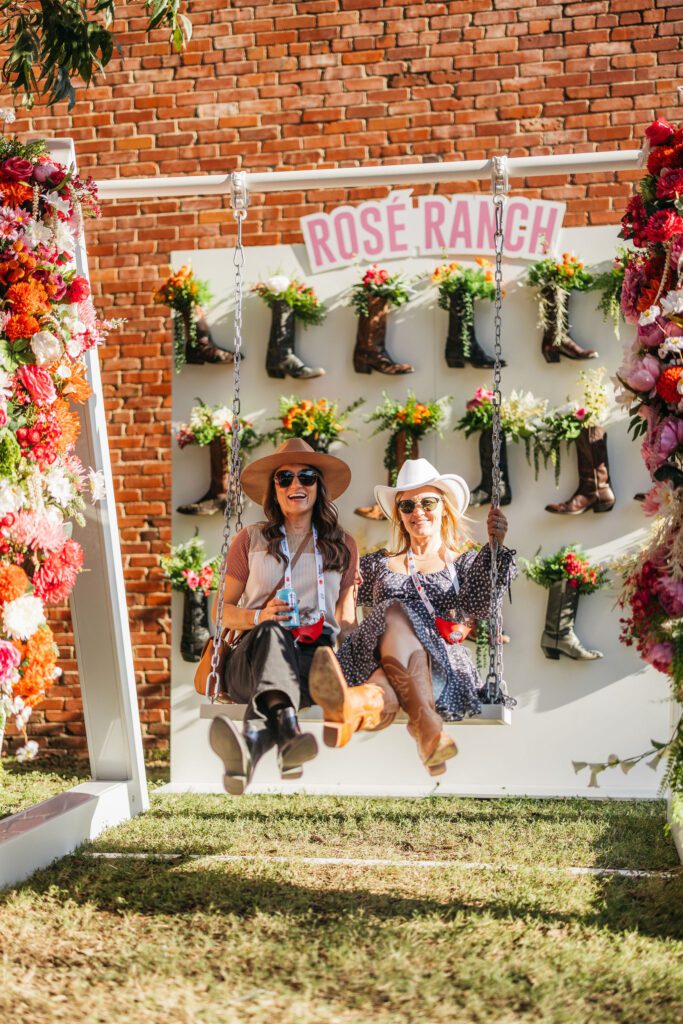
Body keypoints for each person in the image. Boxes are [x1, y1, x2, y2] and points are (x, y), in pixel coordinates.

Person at [310, 458, 516, 777]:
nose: (417, 511)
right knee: (392, 612)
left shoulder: (463, 564)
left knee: (386, 672)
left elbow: (478, 606)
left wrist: (495, 546)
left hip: (440, 667)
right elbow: (343, 604)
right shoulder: (378, 564)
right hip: (373, 658)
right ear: (399, 515)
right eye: (407, 505)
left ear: (444, 508)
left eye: (427, 502)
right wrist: (346, 594)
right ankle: (429, 733)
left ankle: (353, 706)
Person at [208, 438, 385, 794]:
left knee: (317, 661)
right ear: (274, 490)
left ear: (319, 487)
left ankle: (256, 743)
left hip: (312, 666)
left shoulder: (343, 544)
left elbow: (345, 619)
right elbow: (219, 612)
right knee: (273, 633)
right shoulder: (250, 539)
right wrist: (260, 616)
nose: (296, 486)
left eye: (306, 477)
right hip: (252, 658)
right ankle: (288, 734)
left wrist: (357, 648)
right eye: (284, 479)